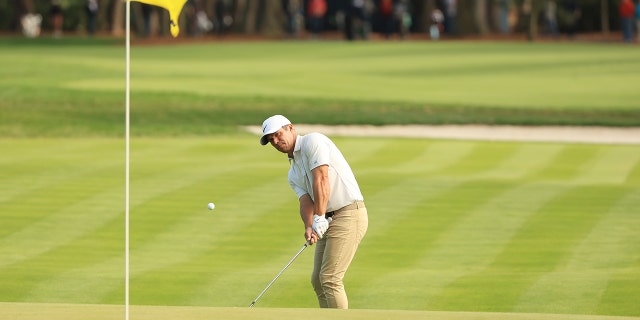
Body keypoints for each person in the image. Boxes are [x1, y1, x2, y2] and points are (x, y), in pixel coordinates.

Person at [259, 115, 368, 309]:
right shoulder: (292, 172)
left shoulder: (312, 141)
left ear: (290, 128)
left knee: (330, 278)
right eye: (270, 140)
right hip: (326, 220)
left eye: (277, 134)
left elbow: (321, 179)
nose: (275, 141)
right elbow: (305, 201)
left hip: (348, 214)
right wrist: (309, 225)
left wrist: (318, 217)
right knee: (318, 281)